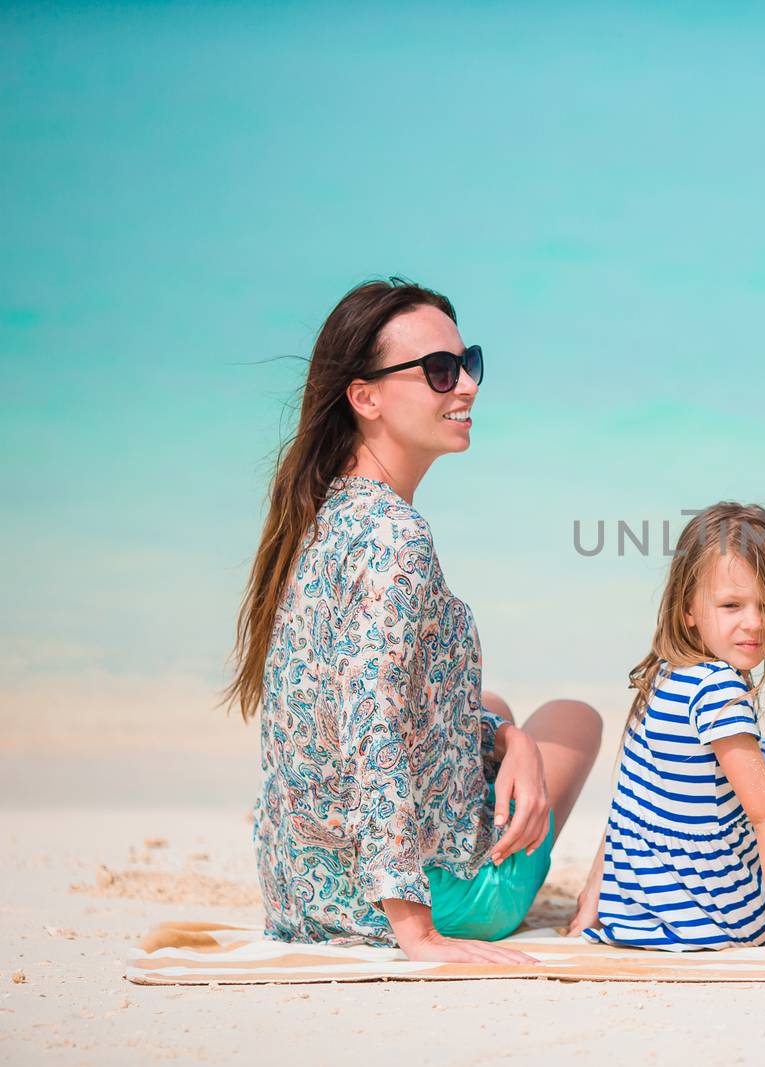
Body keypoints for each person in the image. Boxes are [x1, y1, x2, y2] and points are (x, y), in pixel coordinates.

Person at [228, 278, 602, 964]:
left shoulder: (318, 515)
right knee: (577, 716)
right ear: (364, 396)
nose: (466, 386)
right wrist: (417, 931)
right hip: (408, 900)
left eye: (468, 364)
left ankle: (504, 741)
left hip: (301, 892)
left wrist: (508, 738)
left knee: (493, 706)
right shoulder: (399, 538)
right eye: (438, 371)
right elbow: (372, 722)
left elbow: (360, 703)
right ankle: (447, 889)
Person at [570, 503, 765, 959]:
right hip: (724, 915)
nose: (754, 622)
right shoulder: (717, 689)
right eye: (732, 605)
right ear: (689, 609)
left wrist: (591, 900)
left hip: (641, 910)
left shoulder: (662, 672)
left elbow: (630, 796)